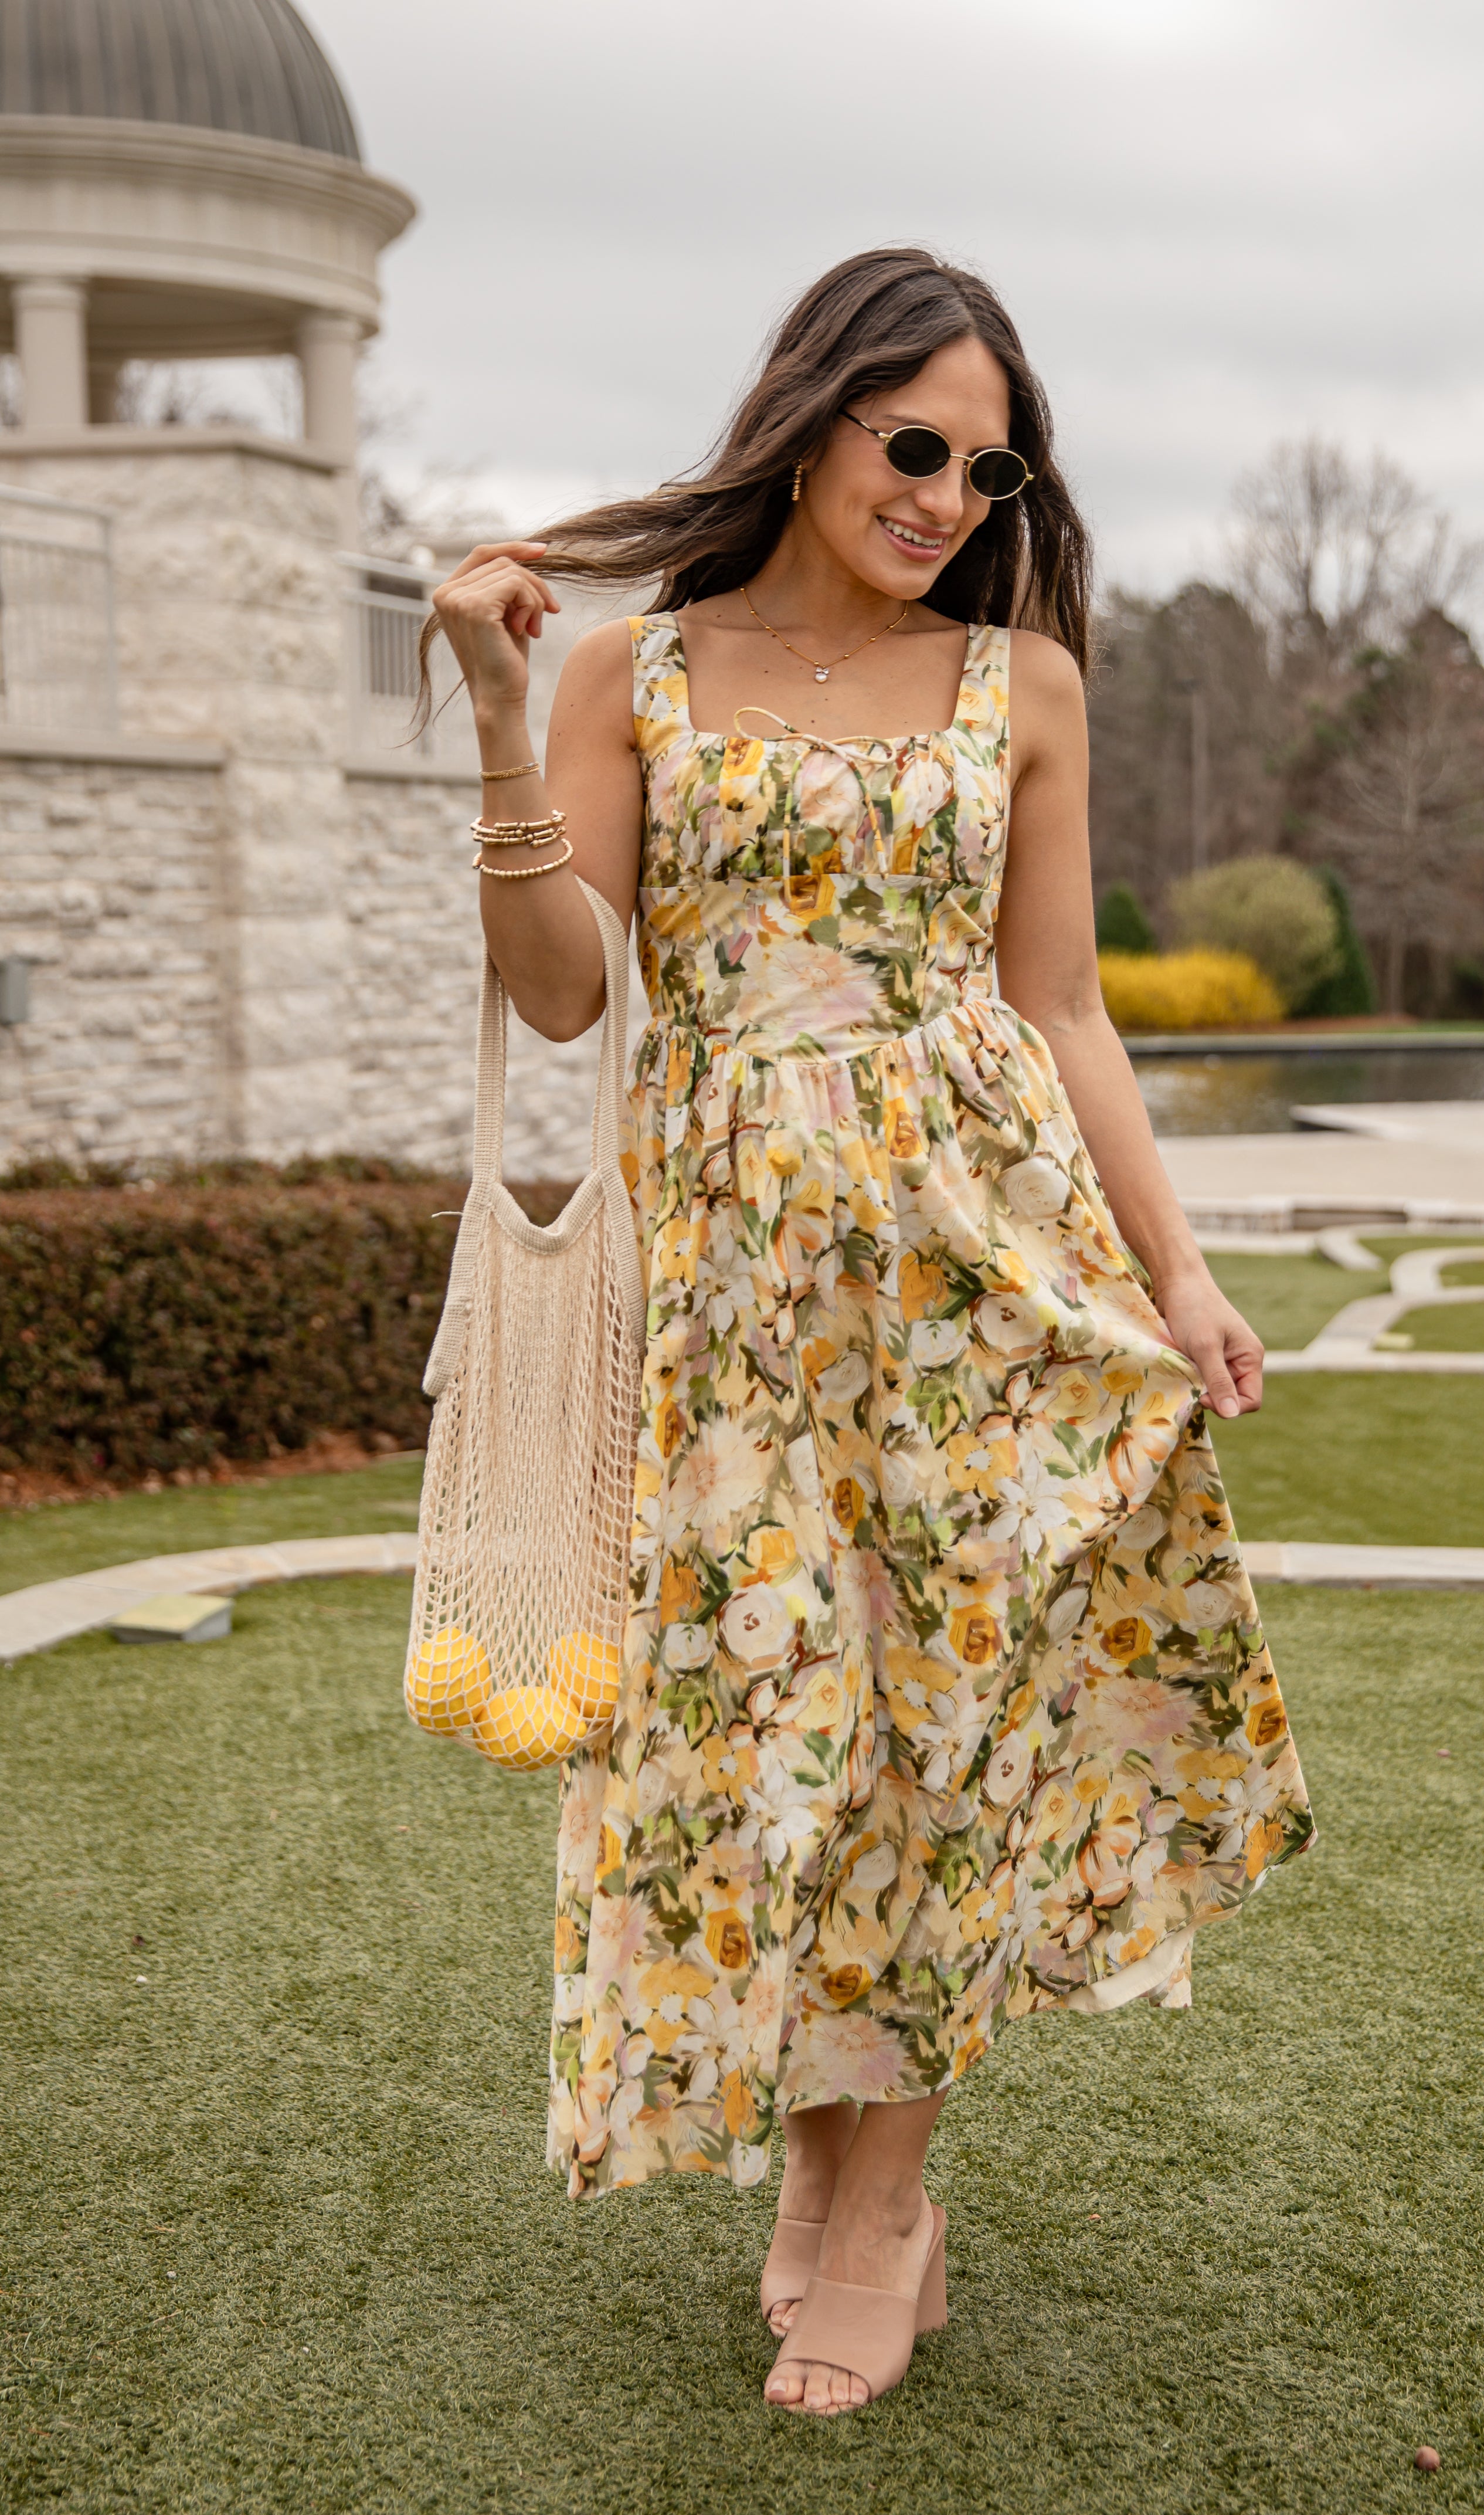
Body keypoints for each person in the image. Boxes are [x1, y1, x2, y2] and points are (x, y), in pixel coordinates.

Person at [428, 246, 1315, 2418]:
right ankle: (828, 2184)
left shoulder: (1019, 684)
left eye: (985, 464)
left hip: (981, 1276)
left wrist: (1176, 1271)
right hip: (729, 1296)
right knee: (761, 1733)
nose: (944, 492)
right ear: (813, 419)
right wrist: (488, 717)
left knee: (942, 1735)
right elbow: (561, 993)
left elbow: (1063, 1001)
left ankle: (871, 2204)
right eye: (911, 443)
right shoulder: (630, 670)